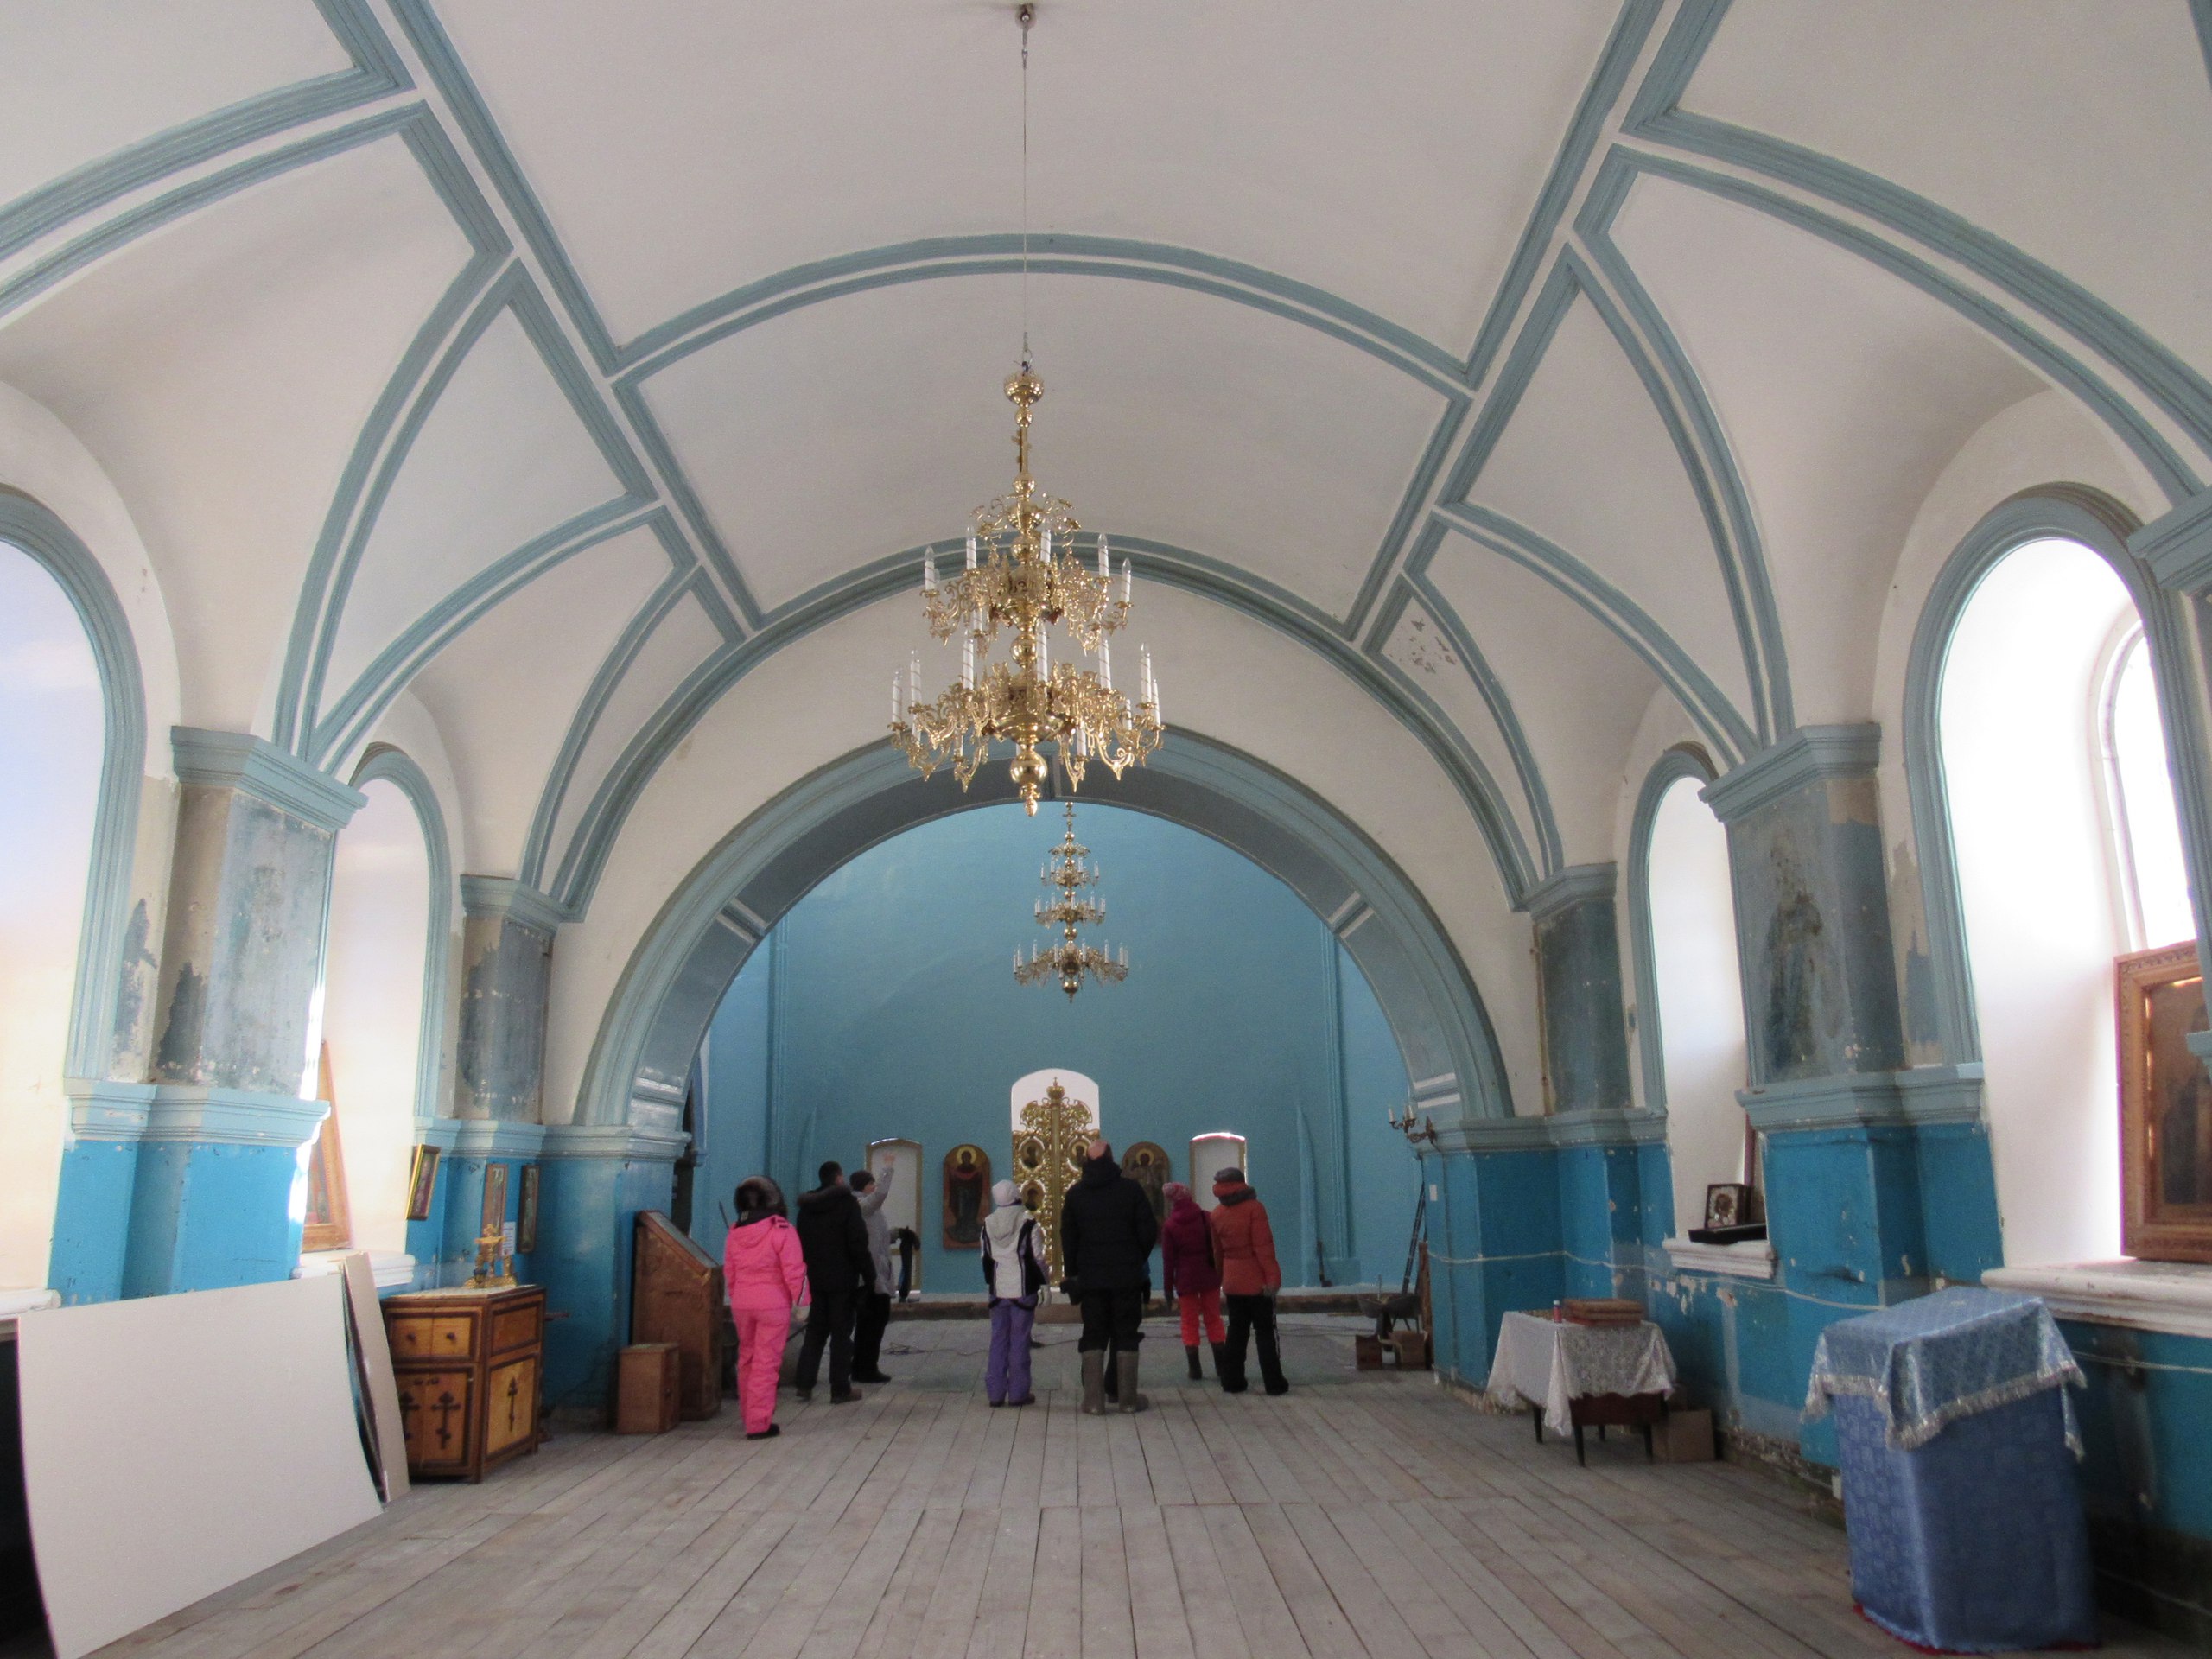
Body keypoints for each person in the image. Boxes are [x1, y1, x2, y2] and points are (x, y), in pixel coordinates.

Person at [1058, 1138, 1159, 1414]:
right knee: (1126, 1331)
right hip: (1126, 1276)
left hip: (1091, 1279)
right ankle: (1127, 1400)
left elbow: (1068, 1237)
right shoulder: (1130, 1190)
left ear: (1086, 1162)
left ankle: (1093, 1401)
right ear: (1112, 1158)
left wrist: (1073, 1272)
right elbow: (1148, 1230)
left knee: (1093, 1332)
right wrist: (1135, 1258)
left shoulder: (1076, 1194)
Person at [723, 1176, 807, 1440]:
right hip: (772, 1305)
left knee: (746, 1359)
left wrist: (737, 1297)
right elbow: (795, 1271)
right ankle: (758, 1424)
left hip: (742, 1304)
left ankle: (749, 1416)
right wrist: (803, 1302)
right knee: (766, 1364)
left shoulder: (735, 1231)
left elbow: (730, 1272)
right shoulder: (781, 1229)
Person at [793, 1160, 874, 1403]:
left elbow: (799, 1242)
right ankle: (840, 1388)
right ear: (839, 1178)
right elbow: (857, 1242)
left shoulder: (807, 1207)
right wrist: (869, 1274)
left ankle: (804, 1384)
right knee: (841, 1334)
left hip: (816, 1278)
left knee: (815, 1331)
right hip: (843, 1280)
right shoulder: (847, 1204)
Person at [1209, 1166, 1287, 1396]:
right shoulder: (1255, 1208)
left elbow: (1217, 1253)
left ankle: (1232, 1381)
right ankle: (1274, 1383)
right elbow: (1263, 1248)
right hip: (1256, 1282)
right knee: (1264, 1332)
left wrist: (1220, 1279)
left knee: (1236, 1331)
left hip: (1232, 1281)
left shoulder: (1216, 1214)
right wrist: (1273, 1279)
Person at [980, 1179, 1047, 1406]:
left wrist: (991, 1284)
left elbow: (985, 1258)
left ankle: (995, 1394)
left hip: (997, 1290)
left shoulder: (988, 1223)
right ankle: (1019, 1393)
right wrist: (1045, 1284)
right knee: (1019, 1341)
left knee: (998, 1339)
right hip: (1023, 1288)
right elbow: (1037, 1258)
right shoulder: (1028, 1222)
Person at [1158, 1180, 1225, 1381]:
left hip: (1185, 1279)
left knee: (1189, 1321)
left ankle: (1195, 1369)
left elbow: (1169, 1261)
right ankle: (1221, 1366)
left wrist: (1168, 1289)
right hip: (1209, 1275)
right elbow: (1218, 1247)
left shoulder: (1170, 1226)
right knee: (1214, 1319)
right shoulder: (1206, 1217)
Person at [848, 1164, 896, 1383]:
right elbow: (881, 1195)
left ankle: (865, 1365)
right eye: (871, 1183)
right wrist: (888, 1170)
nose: (874, 1187)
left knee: (875, 1322)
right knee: (871, 1324)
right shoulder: (860, 1205)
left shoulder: (867, 1208)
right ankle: (864, 1368)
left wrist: (897, 1234)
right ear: (862, 1186)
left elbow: (878, 1236)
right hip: (869, 1277)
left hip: (877, 1272)